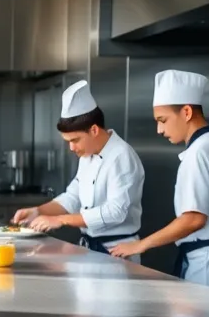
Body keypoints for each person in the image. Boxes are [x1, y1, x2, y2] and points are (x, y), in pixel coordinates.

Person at [110, 70, 209, 295]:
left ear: (186, 111)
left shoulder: (200, 153)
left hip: (208, 265)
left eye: (163, 120)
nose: (159, 130)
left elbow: (193, 219)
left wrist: (140, 244)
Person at [11, 80, 145, 260]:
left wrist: (60, 220)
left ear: (94, 130)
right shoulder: (87, 156)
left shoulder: (121, 156)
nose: (72, 148)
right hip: (90, 249)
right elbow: (72, 197)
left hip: (118, 251)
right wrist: (38, 211)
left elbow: (115, 212)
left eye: (75, 140)